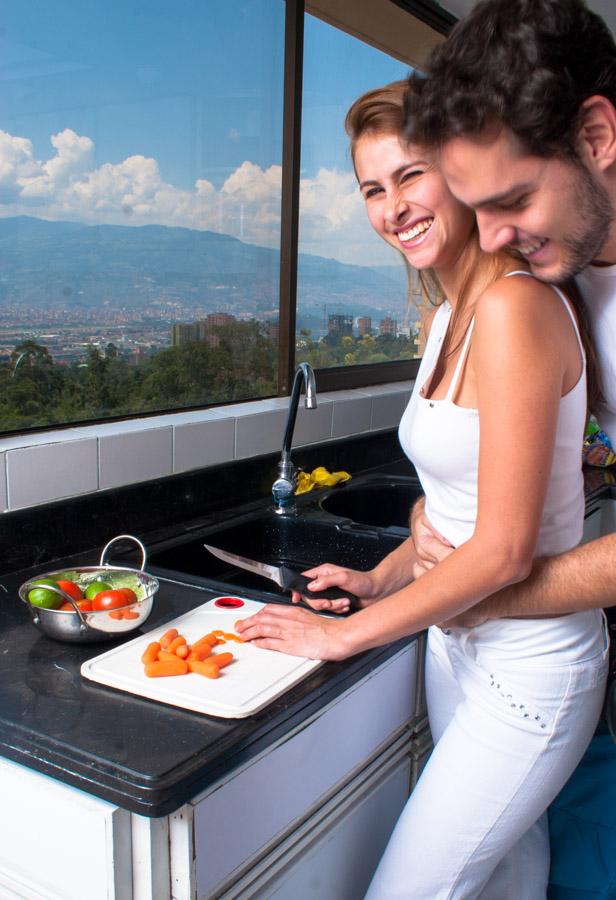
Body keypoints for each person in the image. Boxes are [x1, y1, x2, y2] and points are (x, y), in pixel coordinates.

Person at [236, 80, 608, 899]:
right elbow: (458, 509)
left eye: (410, 176)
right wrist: (378, 578)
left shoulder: (517, 307)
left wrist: (341, 636)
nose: (391, 207)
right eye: (373, 188)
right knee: (511, 869)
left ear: (460, 173)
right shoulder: (447, 317)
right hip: (459, 645)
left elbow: (505, 547)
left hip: (531, 663)